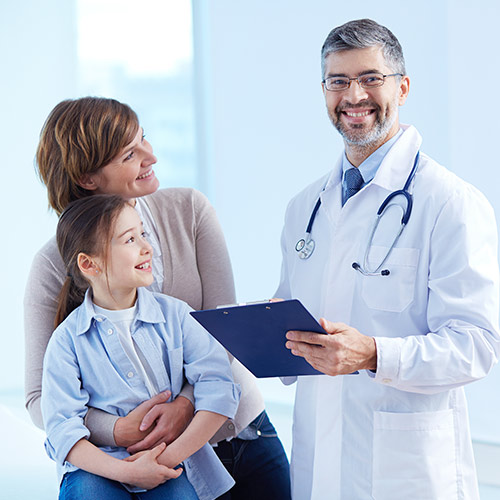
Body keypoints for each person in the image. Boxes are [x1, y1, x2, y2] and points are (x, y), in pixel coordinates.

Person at [277, 18, 500, 499]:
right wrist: (261, 334)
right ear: (323, 91)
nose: (353, 95)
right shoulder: (305, 209)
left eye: (370, 78)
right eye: (338, 81)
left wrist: (375, 354)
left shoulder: (450, 203)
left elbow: (476, 345)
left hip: (408, 473)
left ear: (402, 86)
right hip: (320, 467)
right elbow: (290, 316)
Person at [25, 97, 291, 499]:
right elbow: (40, 398)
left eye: (143, 138)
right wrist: (119, 430)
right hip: (135, 464)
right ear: (88, 179)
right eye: (130, 153)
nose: (151, 155)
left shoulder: (190, 210)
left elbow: (225, 335)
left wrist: (185, 404)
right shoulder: (51, 265)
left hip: (238, 434)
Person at [42, 194, 240, 499]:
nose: (147, 247)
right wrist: (130, 471)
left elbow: (219, 389)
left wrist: (163, 461)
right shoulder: (67, 340)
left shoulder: (179, 315)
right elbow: (62, 429)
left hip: (172, 460)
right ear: (88, 264)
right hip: (98, 467)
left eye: (143, 234)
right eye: (130, 239)